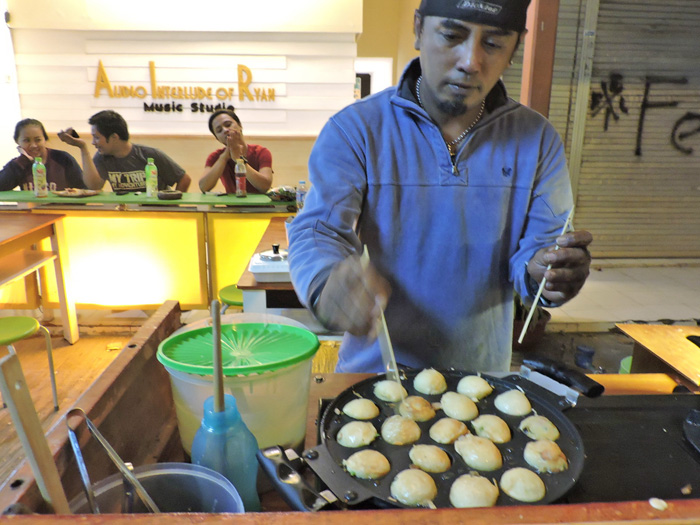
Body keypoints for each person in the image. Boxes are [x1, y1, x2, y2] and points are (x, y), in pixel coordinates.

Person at [288, 0, 593, 374]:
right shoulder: (357, 130)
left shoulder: (537, 140)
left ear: (517, 47)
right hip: (375, 374)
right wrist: (325, 278)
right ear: (418, 29)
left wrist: (548, 273)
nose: (470, 61)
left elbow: (539, 250)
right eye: (452, 35)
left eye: (494, 43)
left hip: (481, 380)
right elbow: (319, 229)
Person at [58, 110, 191, 192]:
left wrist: (172, 207)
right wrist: (83, 147)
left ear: (114, 137)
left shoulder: (150, 155)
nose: (93, 142)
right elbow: (94, 187)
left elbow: (184, 179)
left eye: (97, 137)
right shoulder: (102, 157)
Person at [198, 109, 273, 194]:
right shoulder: (215, 156)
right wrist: (224, 157)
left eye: (228, 124)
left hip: (263, 207)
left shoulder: (261, 152)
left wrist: (239, 160)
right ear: (217, 138)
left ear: (240, 125)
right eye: (219, 130)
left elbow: (265, 186)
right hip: (232, 207)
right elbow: (203, 187)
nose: (225, 130)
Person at [0, 118, 85, 192]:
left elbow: (84, 188)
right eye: (26, 140)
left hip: (64, 209)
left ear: (45, 139)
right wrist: (22, 161)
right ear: (17, 141)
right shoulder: (17, 165)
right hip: (32, 210)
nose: (33, 145)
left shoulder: (63, 158)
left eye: (38, 140)